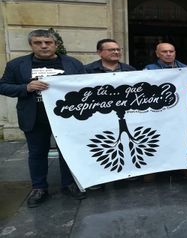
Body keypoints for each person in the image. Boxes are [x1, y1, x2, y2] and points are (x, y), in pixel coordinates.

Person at [0, 29, 86, 208]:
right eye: (38, 42)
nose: (44, 46)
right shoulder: (17, 64)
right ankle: (39, 188)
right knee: (37, 153)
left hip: (67, 118)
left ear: (56, 44)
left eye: (48, 42)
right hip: (35, 117)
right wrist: (26, 87)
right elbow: (3, 86)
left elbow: (85, 86)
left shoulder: (73, 63)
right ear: (31, 45)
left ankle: (68, 184)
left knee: (68, 153)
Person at [85, 39, 136, 190]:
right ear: (99, 52)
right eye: (111, 50)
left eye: (117, 49)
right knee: (100, 145)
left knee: (123, 143)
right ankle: (98, 177)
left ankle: (124, 174)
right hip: (98, 115)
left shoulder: (130, 70)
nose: (116, 52)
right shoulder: (87, 70)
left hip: (124, 113)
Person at [143, 42, 187, 182]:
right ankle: (153, 170)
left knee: (181, 140)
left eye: (171, 51)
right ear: (157, 54)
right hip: (159, 114)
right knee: (157, 140)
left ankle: (185, 166)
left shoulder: (186, 68)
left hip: (180, 113)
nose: (168, 54)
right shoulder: (148, 70)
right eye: (164, 51)